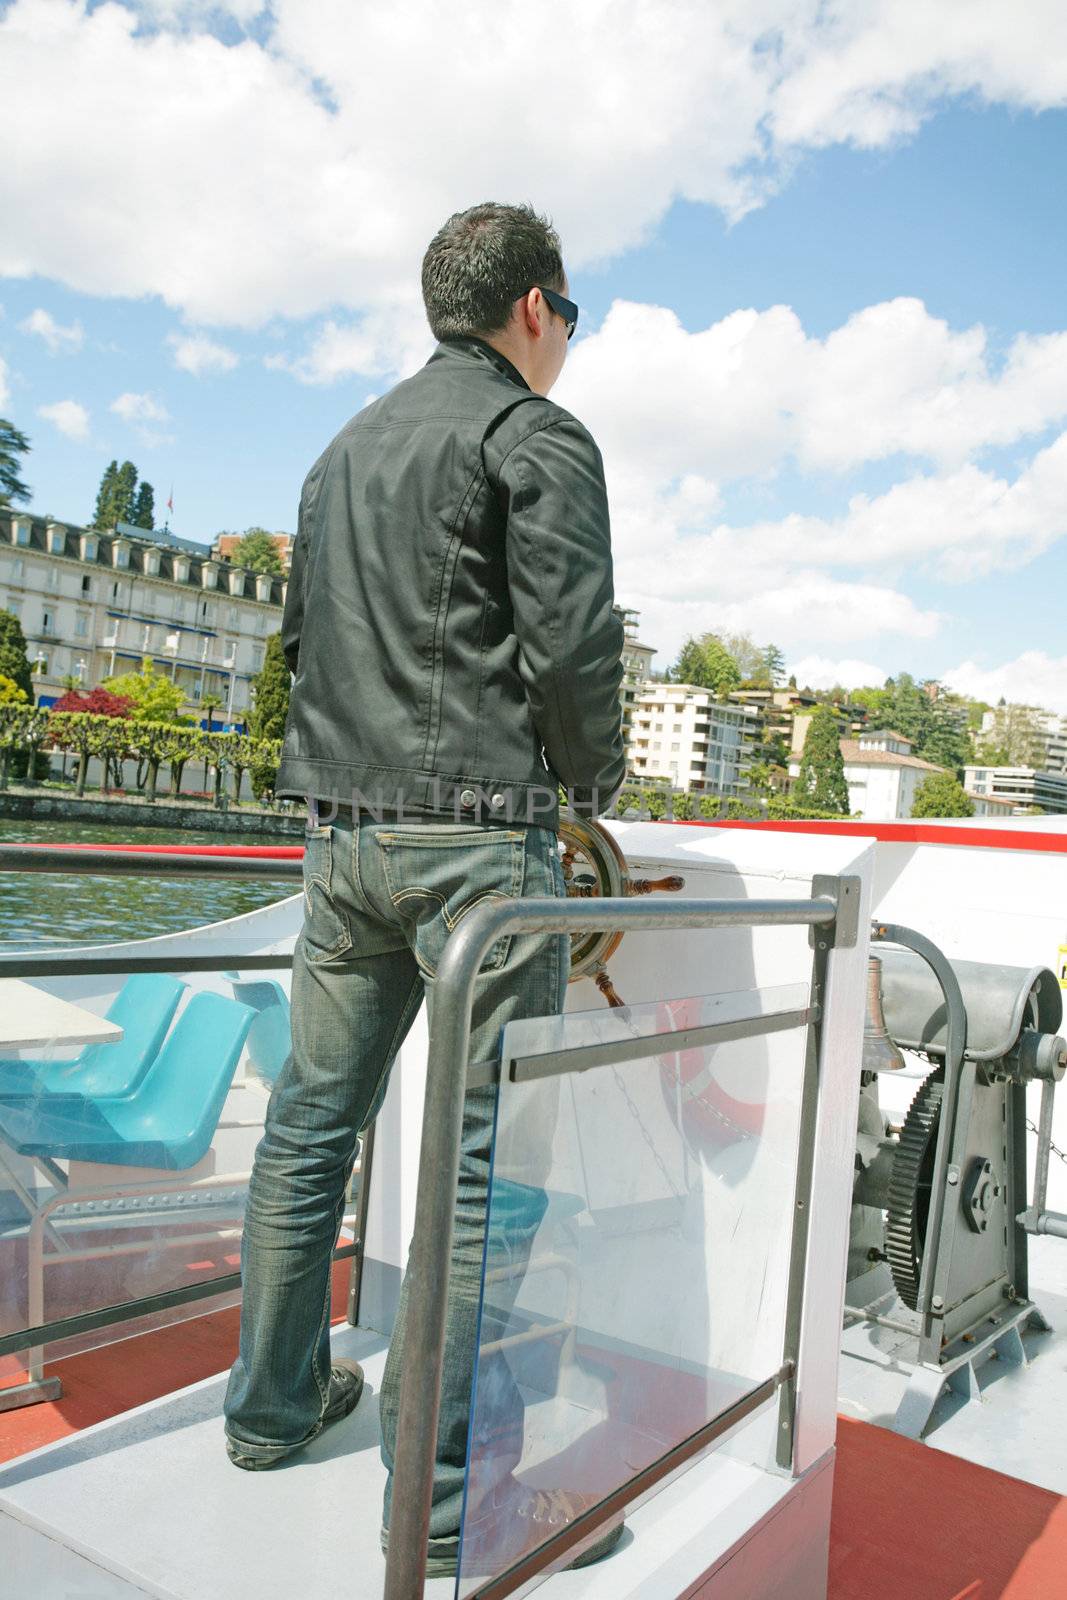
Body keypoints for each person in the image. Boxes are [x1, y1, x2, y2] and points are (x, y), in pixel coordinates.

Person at [222, 201, 627, 1577]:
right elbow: (572, 650)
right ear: (531, 307)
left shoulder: (342, 451)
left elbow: (301, 642)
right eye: (570, 315)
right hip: (475, 855)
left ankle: (271, 1412)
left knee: (306, 1135)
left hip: (342, 847)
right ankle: (455, 1508)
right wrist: (592, 791)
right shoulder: (538, 436)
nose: (568, 341)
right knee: (483, 1176)